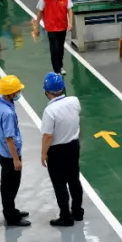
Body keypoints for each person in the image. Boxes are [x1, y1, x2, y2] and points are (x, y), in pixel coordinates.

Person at [40, 72, 85, 227]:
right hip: (73, 146)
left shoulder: (50, 111)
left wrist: (43, 153)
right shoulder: (74, 101)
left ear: (47, 91)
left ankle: (65, 217)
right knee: (74, 180)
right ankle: (77, 212)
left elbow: (48, 136)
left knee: (60, 185)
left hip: (57, 151)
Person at [0, 75, 31, 227]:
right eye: (17, 91)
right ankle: (11, 217)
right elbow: (9, 138)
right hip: (10, 156)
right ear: (10, 93)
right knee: (10, 187)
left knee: (8, 185)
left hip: (3, 153)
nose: (18, 93)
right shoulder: (8, 114)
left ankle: (11, 209)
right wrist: (16, 160)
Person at [32, 0, 73, 75]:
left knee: (60, 48)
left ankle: (60, 65)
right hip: (51, 28)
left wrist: (70, 23)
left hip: (62, 26)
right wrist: (36, 27)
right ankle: (57, 70)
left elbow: (69, 10)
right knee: (54, 48)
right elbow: (40, 12)